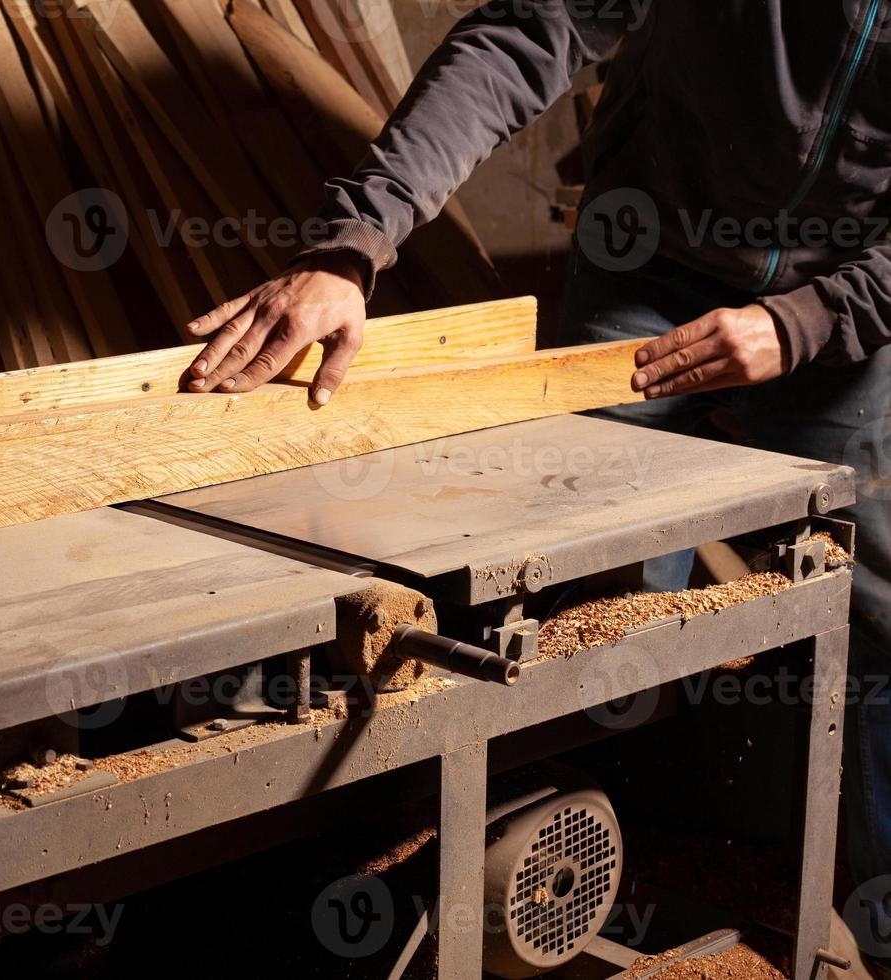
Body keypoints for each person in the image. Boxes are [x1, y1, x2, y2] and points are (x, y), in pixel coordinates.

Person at [184, 0, 891, 965]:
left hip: (847, 301)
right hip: (655, 260)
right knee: (564, 581)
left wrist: (807, 321)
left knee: (885, 608)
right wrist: (356, 243)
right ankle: (551, 866)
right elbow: (529, 30)